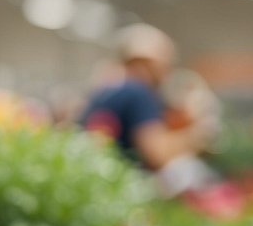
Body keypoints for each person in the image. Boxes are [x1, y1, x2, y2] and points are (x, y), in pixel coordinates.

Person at [80, 24, 212, 173]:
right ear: (147, 63)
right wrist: (197, 137)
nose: (167, 70)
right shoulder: (138, 93)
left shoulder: (106, 90)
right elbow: (156, 153)